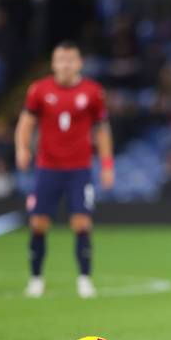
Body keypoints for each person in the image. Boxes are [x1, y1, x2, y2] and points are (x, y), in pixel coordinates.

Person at [15, 41, 114, 299]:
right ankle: (36, 279)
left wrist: (106, 164)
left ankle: (84, 279)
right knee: (38, 224)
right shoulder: (39, 90)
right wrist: (22, 148)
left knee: (81, 222)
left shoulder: (93, 92)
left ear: (79, 63)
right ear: (53, 63)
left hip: (79, 169)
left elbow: (102, 130)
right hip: (47, 167)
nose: (66, 65)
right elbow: (25, 123)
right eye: (61, 60)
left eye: (70, 60)